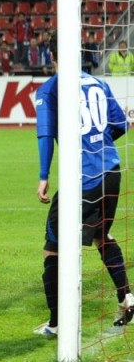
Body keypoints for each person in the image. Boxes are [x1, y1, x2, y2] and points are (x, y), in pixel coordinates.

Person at [33, 32, 134, 336]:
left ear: (51, 56)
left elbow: (45, 135)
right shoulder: (97, 82)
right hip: (112, 170)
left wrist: (43, 176)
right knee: (101, 236)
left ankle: (57, 323)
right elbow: (120, 124)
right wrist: (97, 143)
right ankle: (127, 297)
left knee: (53, 248)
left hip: (84, 178)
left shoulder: (50, 89)